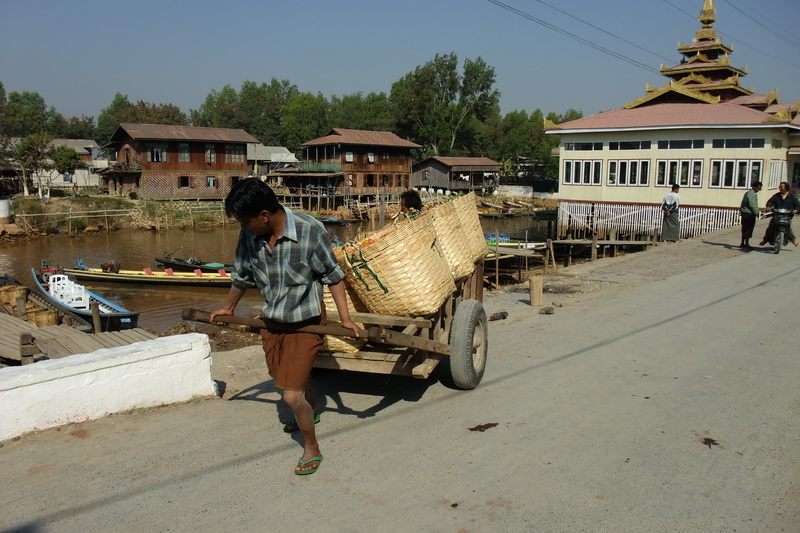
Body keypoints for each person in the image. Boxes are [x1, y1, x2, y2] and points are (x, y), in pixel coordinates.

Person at [210, 178, 359, 476]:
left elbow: (334, 276)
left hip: (307, 323)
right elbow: (242, 275)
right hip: (272, 321)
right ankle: (311, 406)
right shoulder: (249, 235)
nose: (243, 226)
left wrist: (345, 319)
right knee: (281, 376)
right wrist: (229, 307)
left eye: (245, 220)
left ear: (264, 215)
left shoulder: (309, 230)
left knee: (290, 395)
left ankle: (311, 447)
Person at [759, 181, 800, 247]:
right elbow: (770, 201)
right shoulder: (777, 196)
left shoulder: (791, 196)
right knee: (771, 226)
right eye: (779, 187)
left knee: (788, 226)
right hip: (777, 215)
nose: (780, 188)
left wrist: (796, 210)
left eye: (781, 187)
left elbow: (797, 205)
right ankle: (765, 240)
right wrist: (768, 206)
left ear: (786, 188)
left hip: (787, 215)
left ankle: (794, 240)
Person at [739, 180, 762, 248]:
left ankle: (743, 243)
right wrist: (757, 212)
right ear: (755, 187)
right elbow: (752, 205)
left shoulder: (748, 193)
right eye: (759, 188)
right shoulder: (751, 194)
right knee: (748, 229)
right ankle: (746, 243)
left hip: (745, 213)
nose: (759, 190)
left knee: (745, 228)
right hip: (748, 214)